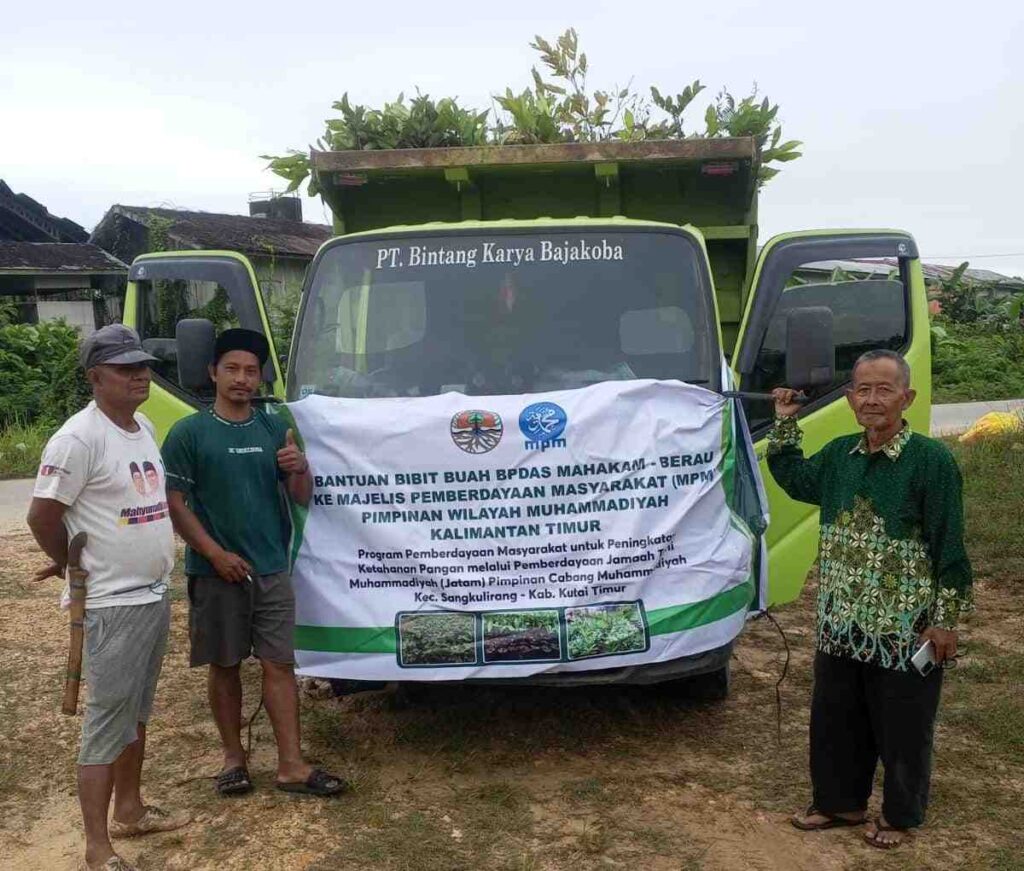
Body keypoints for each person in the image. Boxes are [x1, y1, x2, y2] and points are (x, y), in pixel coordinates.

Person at [768, 349, 973, 849]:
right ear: (849, 398)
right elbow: (795, 477)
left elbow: (950, 544)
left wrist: (944, 622)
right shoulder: (840, 455)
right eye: (863, 389)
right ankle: (840, 804)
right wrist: (785, 425)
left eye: (885, 389)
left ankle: (900, 817)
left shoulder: (931, 461)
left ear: (908, 397)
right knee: (837, 719)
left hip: (904, 630)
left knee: (904, 728)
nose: (873, 399)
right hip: (841, 624)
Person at [27, 324, 188, 871]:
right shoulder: (77, 438)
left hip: (151, 595)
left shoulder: (141, 425)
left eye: (142, 365)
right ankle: (98, 849)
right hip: (112, 604)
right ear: (96, 378)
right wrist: (72, 561)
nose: (140, 374)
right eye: (125, 368)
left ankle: (132, 809)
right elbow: (43, 514)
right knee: (106, 723)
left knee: (135, 714)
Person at [161, 328, 346, 798]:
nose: (242, 379)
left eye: (250, 370)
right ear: (213, 373)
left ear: (260, 375)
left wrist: (299, 468)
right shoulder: (189, 432)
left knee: (278, 664)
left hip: (271, 570)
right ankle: (233, 761)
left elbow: (302, 497)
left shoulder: (272, 427)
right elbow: (175, 503)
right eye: (232, 370)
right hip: (215, 572)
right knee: (223, 666)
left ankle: (291, 765)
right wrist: (214, 553)